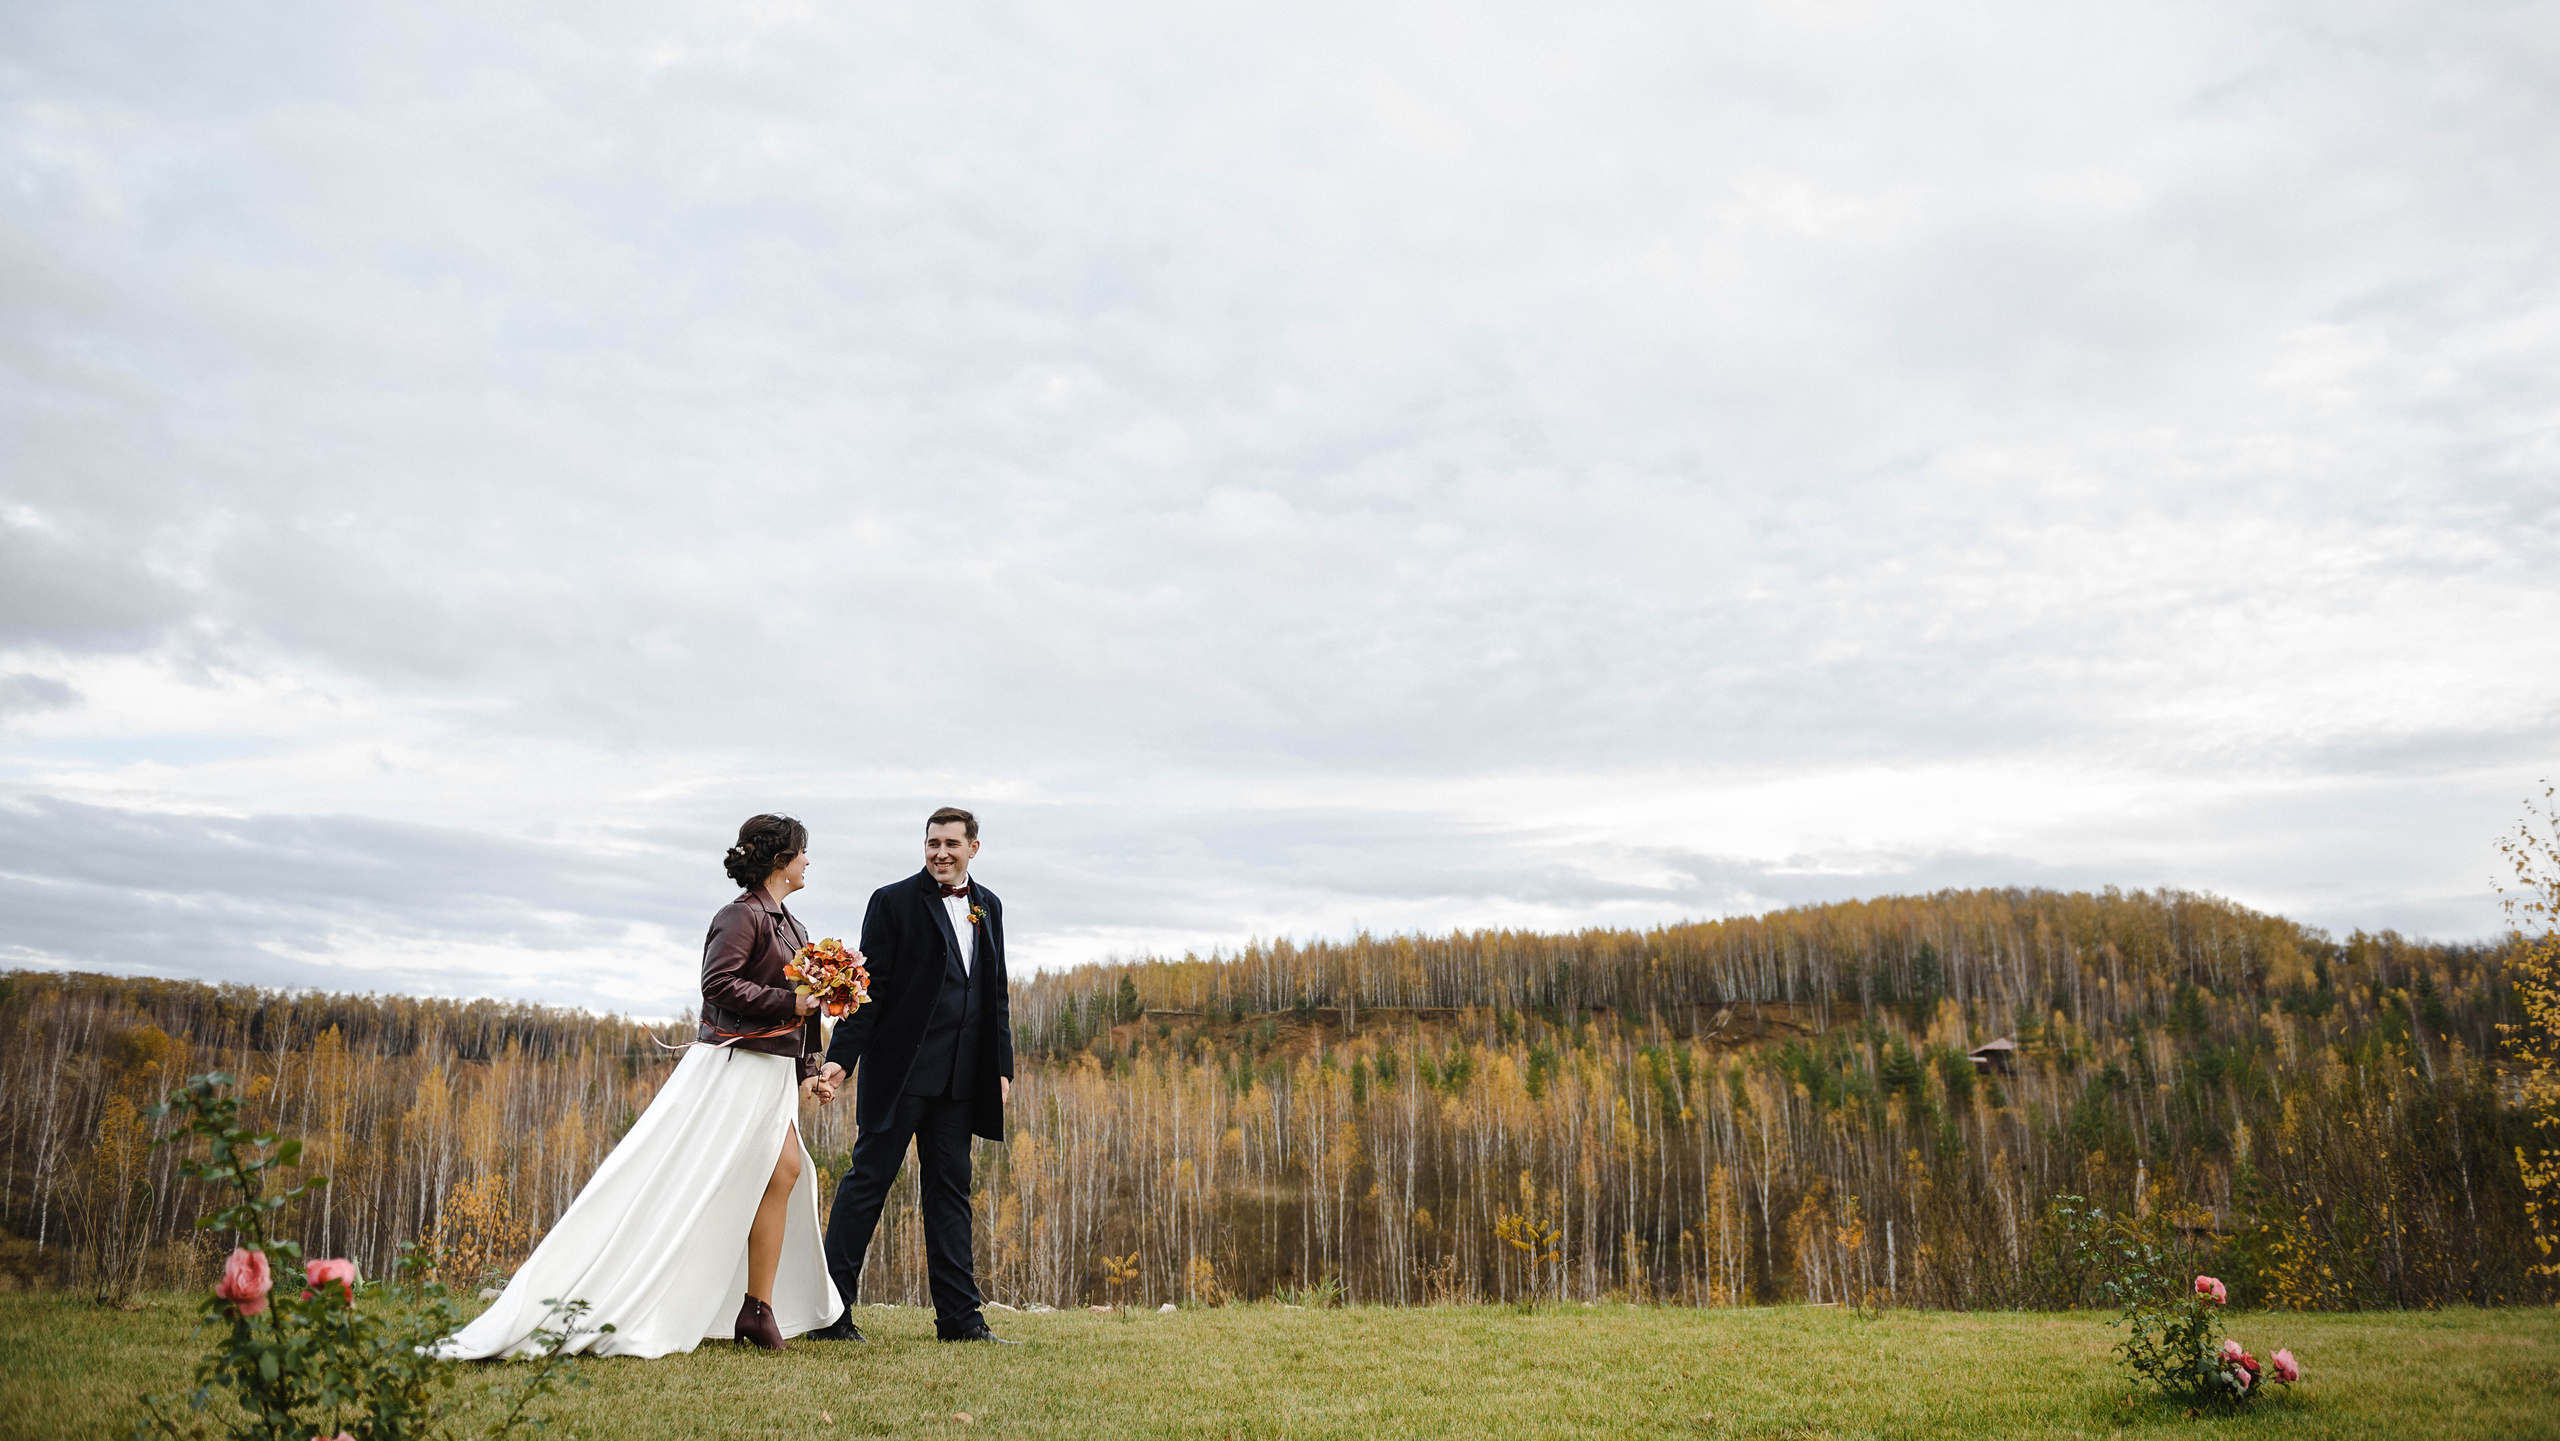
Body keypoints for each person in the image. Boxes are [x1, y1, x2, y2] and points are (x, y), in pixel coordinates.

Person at [439, 814, 844, 1358]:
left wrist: (811, 1070)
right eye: (803, 852)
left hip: (772, 1073)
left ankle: (757, 1307)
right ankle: (683, 1291)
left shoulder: (793, 927)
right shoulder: (739, 916)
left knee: (787, 1171)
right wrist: (787, 1002)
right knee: (693, 1181)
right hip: (732, 1071)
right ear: (781, 860)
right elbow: (718, 985)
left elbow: (807, 1010)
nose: (808, 861)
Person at [809, 806, 1016, 1343]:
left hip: (961, 1081)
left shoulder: (988, 906)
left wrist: (1001, 1068)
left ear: (974, 847)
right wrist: (842, 1058)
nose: (940, 853)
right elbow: (865, 992)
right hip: (899, 1077)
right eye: (932, 843)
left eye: (951, 843)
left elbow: (995, 994)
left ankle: (961, 1320)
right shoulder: (892, 901)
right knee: (866, 1187)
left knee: (951, 1194)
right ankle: (828, 1316)